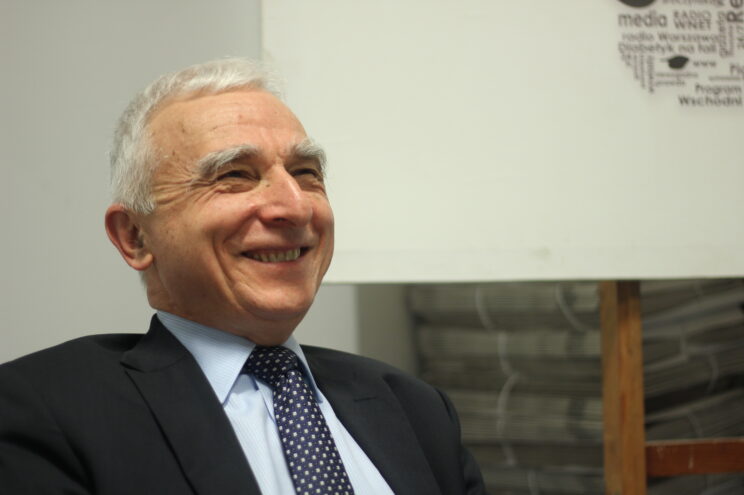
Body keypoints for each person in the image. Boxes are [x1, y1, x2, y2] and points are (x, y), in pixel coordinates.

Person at [0, 58, 487, 495]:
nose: (295, 206)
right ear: (135, 237)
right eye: (234, 175)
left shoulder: (415, 408)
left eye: (306, 173)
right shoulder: (43, 410)